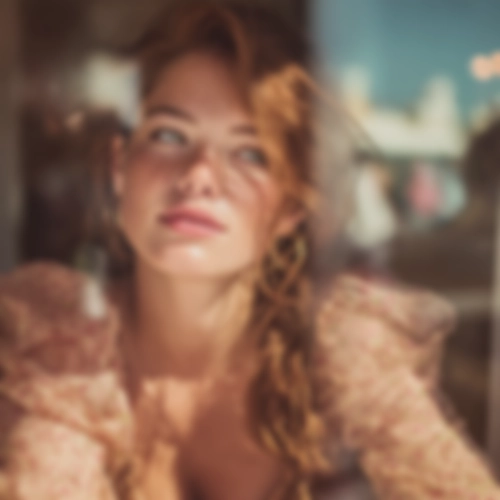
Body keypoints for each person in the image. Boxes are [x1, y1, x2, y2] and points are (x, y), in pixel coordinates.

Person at [0, 2, 499, 499]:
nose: (199, 176)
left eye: (250, 153)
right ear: (119, 167)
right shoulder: (56, 340)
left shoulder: (343, 350)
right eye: (170, 135)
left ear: (291, 208)